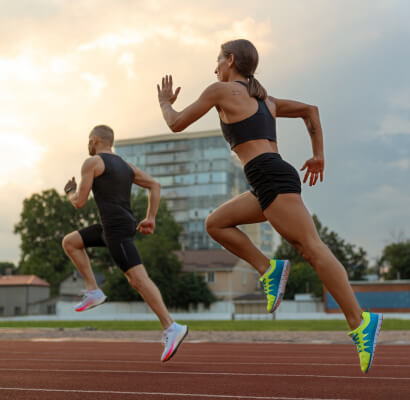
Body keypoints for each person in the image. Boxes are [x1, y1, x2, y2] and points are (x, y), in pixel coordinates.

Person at [157, 39, 382, 373]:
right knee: (215, 223)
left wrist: (164, 103)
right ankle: (268, 269)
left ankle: (360, 322)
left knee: (312, 248)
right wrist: (318, 154)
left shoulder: (220, 90)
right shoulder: (267, 101)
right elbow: (310, 110)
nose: (214, 68)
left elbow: (175, 123)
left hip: (269, 177)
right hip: (267, 179)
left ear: (230, 60)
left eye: (217, 61)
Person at [62, 125, 188, 362]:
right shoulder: (126, 166)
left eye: (89, 140)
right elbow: (155, 185)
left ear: (95, 139)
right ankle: (93, 290)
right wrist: (150, 217)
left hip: (116, 229)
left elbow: (79, 202)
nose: (88, 144)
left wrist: (70, 191)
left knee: (138, 279)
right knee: (70, 242)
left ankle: (171, 327)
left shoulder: (92, 163)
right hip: (113, 226)